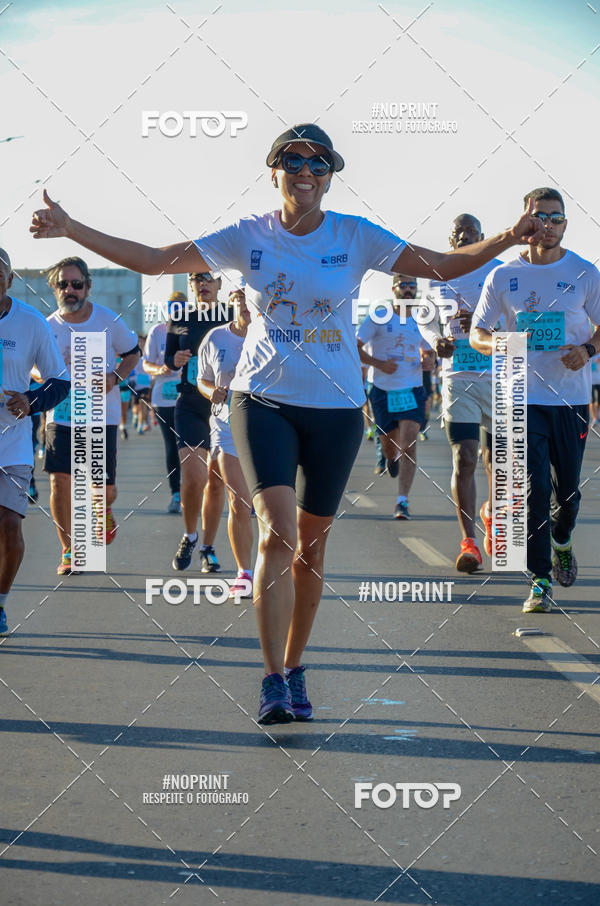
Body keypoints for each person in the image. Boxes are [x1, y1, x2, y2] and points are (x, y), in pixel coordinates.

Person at [30, 122, 545, 721]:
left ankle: (297, 666)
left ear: (330, 177)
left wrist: (509, 236)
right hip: (262, 401)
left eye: (318, 164)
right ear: (274, 170)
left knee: (312, 553)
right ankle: (272, 677)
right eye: (293, 162)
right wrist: (71, 229)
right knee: (278, 533)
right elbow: (153, 258)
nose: (305, 172)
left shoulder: (354, 236)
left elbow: (437, 265)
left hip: (336, 409)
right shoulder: (248, 235)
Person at [471, 187, 600, 613]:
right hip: (521, 398)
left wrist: (589, 351)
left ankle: (562, 540)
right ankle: (540, 579)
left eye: (556, 218)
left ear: (566, 223)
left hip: (570, 400)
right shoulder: (502, 276)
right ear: (526, 219)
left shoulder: (583, 272)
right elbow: (477, 334)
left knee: (567, 495)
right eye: (540, 216)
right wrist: (504, 343)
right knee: (532, 490)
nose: (548, 225)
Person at [43, 256, 140, 575]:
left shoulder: (108, 320)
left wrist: (114, 378)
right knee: (60, 482)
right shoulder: (48, 326)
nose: (69, 290)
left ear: (87, 286)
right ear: (54, 288)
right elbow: (32, 362)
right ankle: (70, 549)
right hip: (62, 413)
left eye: (76, 284)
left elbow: (132, 354)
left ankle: (104, 509)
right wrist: (46, 376)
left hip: (100, 415)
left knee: (103, 489)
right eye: (63, 284)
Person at [419, 214, 502, 572]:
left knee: (497, 462)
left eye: (471, 231)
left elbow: (518, 316)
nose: (464, 235)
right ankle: (469, 543)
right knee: (465, 458)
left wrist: (486, 326)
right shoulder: (438, 275)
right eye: (458, 232)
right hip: (458, 376)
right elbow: (424, 319)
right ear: (450, 239)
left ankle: (493, 515)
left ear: (482, 236)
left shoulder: (499, 271)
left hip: (499, 376)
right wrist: (435, 339)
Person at [0, 248, 69, 635]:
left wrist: (30, 400)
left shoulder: (30, 322)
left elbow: (59, 382)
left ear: (9, 280)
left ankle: (1, 602)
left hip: (13, 440)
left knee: (10, 523)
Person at [164, 271, 229, 572]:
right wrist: (174, 360)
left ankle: (208, 547)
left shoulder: (231, 315)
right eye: (195, 279)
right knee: (193, 477)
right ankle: (190, 535)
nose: (201, 283)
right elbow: (168, 359)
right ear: (190, 286)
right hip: (190, 402)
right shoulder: (180, 317)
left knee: (216, 482)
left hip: (226, 407)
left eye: (207, 278)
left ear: (218, 284)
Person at [357, 275, 434, 519]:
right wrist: (378, 363)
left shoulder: (422, 322)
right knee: (390, 447)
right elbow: (355, 347)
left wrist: (427, 360)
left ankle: (402, 501)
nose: (409, 290)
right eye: (404, 286)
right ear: (394, 289)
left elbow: (430, 351)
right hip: (382, 390)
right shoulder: (379, 317)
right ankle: (391, 459)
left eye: (413, 286)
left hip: (411, 389)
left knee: (409, 444)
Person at [197, 287, 254, 597]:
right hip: (226, 426)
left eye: (250, 301)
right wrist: (211, 391)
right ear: (231, 304)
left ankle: (274, 563)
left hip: (266, 426)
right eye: (239, 301)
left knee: (269, 505)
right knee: (239, 501)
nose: (245, 306)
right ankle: (244, 573)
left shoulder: (272, 335)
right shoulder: (216, 338)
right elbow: (202, 379)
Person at [143, 293, 184, 513]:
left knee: (191, 446)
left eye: (180, 307)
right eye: (172, 307)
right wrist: (161, 369)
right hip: (163, 397)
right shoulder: (157, 331)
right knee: (172, 446)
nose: (176, 311)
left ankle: (194, 490)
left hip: (188, 396)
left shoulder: (193, 329)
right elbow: (146, 364)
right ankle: (175, 493)